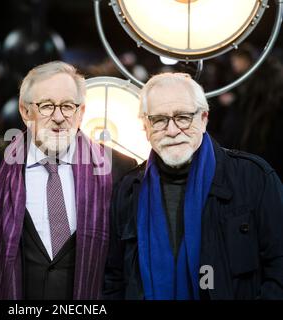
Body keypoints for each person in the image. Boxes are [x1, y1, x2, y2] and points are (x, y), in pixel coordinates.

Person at [104, 72, 283, 300]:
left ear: (204, 118)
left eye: (183, 117)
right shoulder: (128, 190)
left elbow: (278, 268)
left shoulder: (253, 178)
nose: (172, 130)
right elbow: (114, 278)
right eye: (159, 119)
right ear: (145, 127)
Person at [0, 61, 136, 299]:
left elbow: (124, 268)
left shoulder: (120, 170)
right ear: (25, 112)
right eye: (46, 106)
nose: (58, 117)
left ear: (81, 113)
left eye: (68, 106)